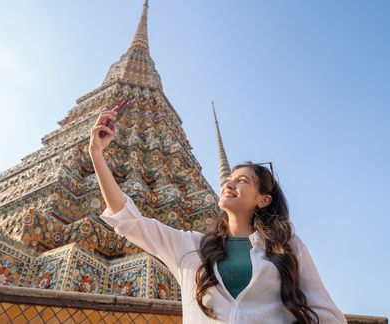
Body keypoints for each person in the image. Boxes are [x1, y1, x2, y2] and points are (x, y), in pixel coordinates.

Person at [88, 110, 347, 323]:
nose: (229, 185)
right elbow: (128, 220)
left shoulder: (286, 247)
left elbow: (328, 316)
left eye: (242, 181)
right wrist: (97, 154)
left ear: (263, 199)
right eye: (228, 180)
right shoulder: (191, 247)